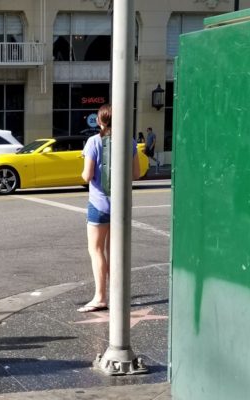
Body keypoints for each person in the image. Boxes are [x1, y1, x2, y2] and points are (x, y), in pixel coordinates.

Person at [78, 104, 140, 313]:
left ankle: (100, 296)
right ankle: (118, 296)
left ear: (100, 121)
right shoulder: (129, 142)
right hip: (121, 205)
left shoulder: (94, 142)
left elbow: (87, 176)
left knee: (96, 250)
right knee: (115, 251)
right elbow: (136, 174)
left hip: (99, 204)